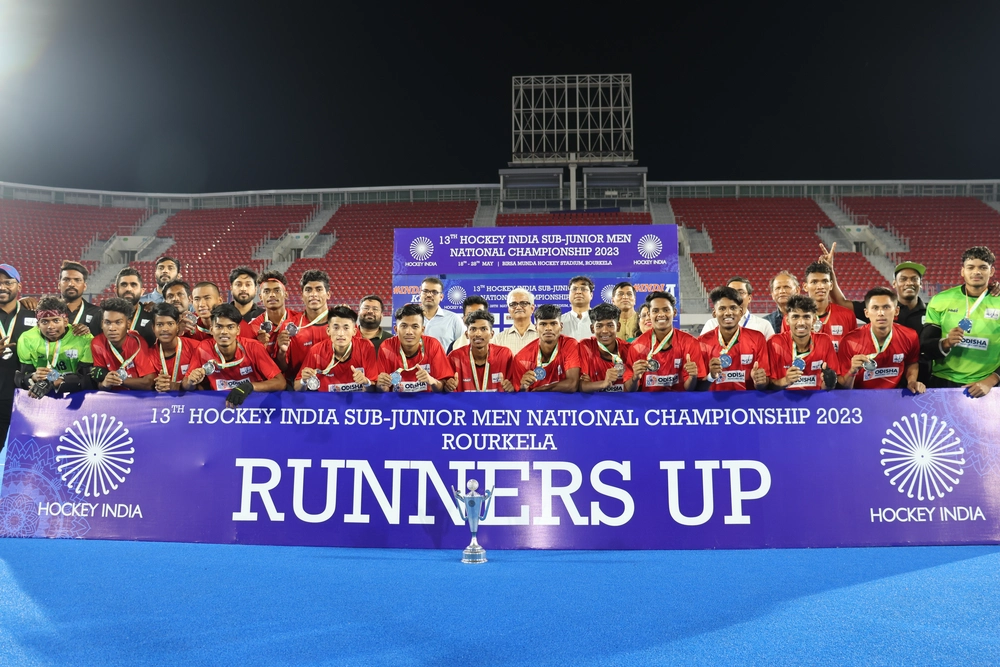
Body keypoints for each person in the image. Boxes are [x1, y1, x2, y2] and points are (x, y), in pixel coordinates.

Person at [921, 246, 1000, 397]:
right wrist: (946, 343)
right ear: (962, 271)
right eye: (970, 267)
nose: (976, 272)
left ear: (992, 271)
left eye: (983, 267)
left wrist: (991, 380)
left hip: (987, 385)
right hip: (943, 381)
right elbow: (925, 346)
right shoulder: (941, 300)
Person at [182, 303, 285, 405]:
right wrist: (191, 381)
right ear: (211, 330)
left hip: (253, 404)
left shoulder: (254, 347)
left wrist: (250, 386)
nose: (224, 332)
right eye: (219, 327)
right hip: (220, 407)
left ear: (238, 330)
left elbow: (280, 382)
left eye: (230, 327)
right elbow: (186, 384)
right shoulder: (203, 349)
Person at [837, 287, 923, 392]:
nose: (881, 313)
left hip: (895, 395)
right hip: (860, 397)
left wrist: (911, 381)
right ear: (866, 313)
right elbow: (843, 389)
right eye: (875, 308)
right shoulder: (850, 341)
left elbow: (911, 362)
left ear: (896, 311)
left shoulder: (910, 336)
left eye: (886, 307)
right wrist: (852, 371)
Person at [624, 291, 704, 392]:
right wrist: (635, 378)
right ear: (649, 314)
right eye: (655, 311)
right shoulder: (637, 346)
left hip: (679, 401)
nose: (661, 314)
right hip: (649, 401)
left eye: (666, 310)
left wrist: (692, 377)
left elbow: (690, 389)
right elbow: (630, 390)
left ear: (674, 312)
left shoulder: (690, 342)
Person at [16, 296, 93, 399]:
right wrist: (33, 377)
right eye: (44, 321)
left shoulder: (84, 338)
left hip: (76, 396)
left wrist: (54, 382)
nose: (50, 326)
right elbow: (20, 376)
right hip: (41, 398)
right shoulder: (27, 339)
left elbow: (87, 378)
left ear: (65, 322)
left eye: (56, 320)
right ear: (38, 324)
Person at [698, 286, 770, 391]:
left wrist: (759, 381)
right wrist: (711, 376)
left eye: (733, 308)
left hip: (747, 400)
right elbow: (697, 388)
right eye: (722, 308)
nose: (728, 313)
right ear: (714, 313)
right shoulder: (702, 342)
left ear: (740, 312)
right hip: (714, 401)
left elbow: (765, 382)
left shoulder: (757, 338)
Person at [295, 305, 377, 392]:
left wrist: (366, 382)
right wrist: (304, 381)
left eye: (346, 328)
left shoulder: (366, 347)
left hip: (357, 400)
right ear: (328, 331)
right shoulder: (316, 351)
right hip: (327, 400)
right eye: (336, 328)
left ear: (354, 331)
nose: (340, 333)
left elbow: (374, 388)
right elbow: (297, 387)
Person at [766, 295, 839, 391]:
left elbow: (826, 387)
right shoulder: (775, 343)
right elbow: (767, 386)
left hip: (815, 399)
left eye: (806, 317)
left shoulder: (824, 341)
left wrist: (829, 382)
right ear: (787, 320)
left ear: (813, 320)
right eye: (795, 317)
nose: (801, 322)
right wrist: (785, 381)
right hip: (783, 400)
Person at [375, 303, 452, 393]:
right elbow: (383, 391)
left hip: (427, 400)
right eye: (404, 326)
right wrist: (382, 386)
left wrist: (431, 381)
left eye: (415, 326)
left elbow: (442, 388)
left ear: (422, 330)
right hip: (397, 400)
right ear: (396, 329)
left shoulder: (433, 345)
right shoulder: (386, 347)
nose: (409, 332)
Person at [0, 264, 36, 442]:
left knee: (25, 449)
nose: (2, 287)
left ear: (19, 286)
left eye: (8, 282)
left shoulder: (35, 314)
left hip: (25, 394)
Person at [510, 304, 581, 392]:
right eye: (543, 324)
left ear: (561, 326)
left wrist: (542, 389)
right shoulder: (521, 358)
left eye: (553, 323)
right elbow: (520, 395)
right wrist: (523, 387)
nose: (548, 328)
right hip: (536, 401)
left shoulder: (569, 344)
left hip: (564, 400)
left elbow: (572, 384)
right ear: (536, 328)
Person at [90, 297, 155, 391]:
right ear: (102, 324)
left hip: (136, 396)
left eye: (118, 322)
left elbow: (149, 383)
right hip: (113, 398)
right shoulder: (97, 343)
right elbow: (101, 384)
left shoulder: (138, 342)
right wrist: (105, 383)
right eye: (107, 322)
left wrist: (118, 380)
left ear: (128, 324)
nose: (112, 328)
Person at [446, 310, 515, 392]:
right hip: (464, 401)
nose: (478, 334)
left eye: (483, 329)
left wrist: (512, 387)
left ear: (492, 334)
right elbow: (445, 386)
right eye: (473, 329)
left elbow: (515, 384)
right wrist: (447, 386)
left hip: (497, 401)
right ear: (467, 334)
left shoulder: (504, 355)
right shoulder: (454, 357)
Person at [282, 270, 332, 381]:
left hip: (334, 385)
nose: (313, 294)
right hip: (299, 385)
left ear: (328, 294)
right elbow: (283, 367)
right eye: (308, 290)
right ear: (302, 296)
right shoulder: (289, 326)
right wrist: (281, 351)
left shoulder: (342, 324)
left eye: (319, 289)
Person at [801, 261, 857, 352]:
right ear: (805, 287)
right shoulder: (792, 318)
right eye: (814, 282)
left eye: (824, 281)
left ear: (831, 285)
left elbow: (854, 351)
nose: (820, 286)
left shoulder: (847, 315)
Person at [700, 276, 775, 340]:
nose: (735, 296)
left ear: (749, 298)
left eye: (741, 292)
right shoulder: (712, 324)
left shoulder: (763, 325)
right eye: (731, 292)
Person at [248, 270, 299, 363]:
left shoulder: (300, 320)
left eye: (277, 290)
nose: (272, 295)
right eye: (267, 291)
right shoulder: (252, 327)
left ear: (286, 294)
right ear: (260, 297)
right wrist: (258, 346)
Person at [579, 303, 630, 392]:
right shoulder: (585, 347)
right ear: (592, 328)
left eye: (610, 325)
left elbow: (634, 386)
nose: (605, 331)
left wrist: (592, 385)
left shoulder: (629, 349)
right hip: (595, 401)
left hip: (624, 400)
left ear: (618, 327)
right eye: (599, 326)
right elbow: (580, 386)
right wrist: (603, 384)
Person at [148, 302, 195, 392]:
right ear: (153, 328)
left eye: (170, 324)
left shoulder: (195, 347)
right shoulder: (148, 355)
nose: (165, 329)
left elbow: (204, 384)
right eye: (159, 324)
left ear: (177, 326)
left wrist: (177, 386)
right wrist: (157, 385)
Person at [419, 277, 464, 352]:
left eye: (434, 292)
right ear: (420, 294)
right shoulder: (410, 318)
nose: (429, 295)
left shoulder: (453, 319)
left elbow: (463, 347)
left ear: (441, 297)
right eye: (425, 291)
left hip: (445, 360)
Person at [114, 267, 156, 346]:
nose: (128, 289)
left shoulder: (152, 314)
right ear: (116, 290)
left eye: (133, 285)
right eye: (124, 285)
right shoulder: (104, 316)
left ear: (142, 291)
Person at [59, 261, 102, 336]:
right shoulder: (48, 310)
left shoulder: (98, 313)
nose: (71, 284)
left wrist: (89, 334)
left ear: (84, 286)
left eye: (77, 280)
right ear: (59, 285)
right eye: (66, 279)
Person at [493, 288, 538, 355]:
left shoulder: (542, 336)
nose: (518, 307)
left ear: (532, 308)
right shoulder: (498, 339)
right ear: (509, 310)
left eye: (523, 303)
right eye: (513, 304)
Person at [763, 271, 800, 335]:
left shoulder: (810, 318)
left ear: (797, 291)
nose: (782, 291)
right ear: (772, 294)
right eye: (777, 288)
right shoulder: (765, 323)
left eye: (786, 287)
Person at [560, 276, 594, 341]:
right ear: (569, 294)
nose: (578, 292)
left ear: (591, 295)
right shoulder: (560, 322)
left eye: (583, 289)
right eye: (574, 289)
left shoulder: (600, 321)